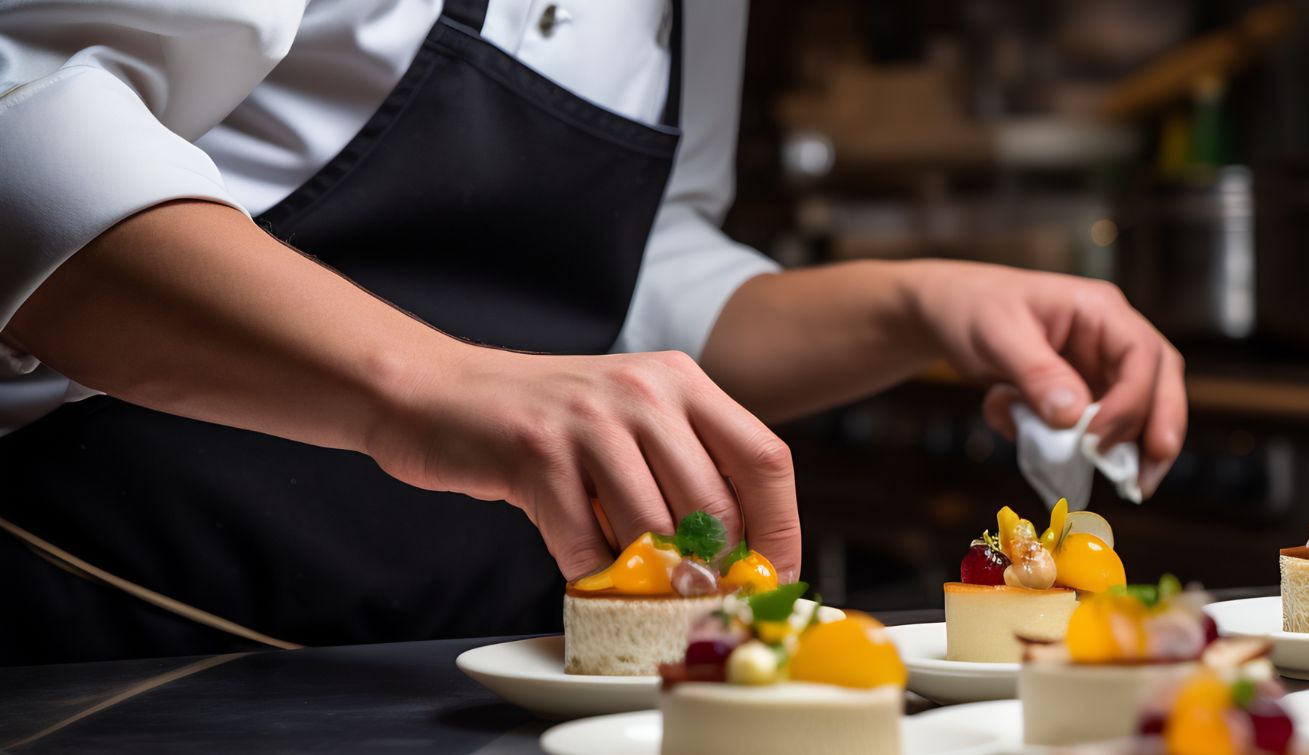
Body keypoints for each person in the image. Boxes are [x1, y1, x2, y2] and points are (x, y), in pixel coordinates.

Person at [0, 0, 1185, 664]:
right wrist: (426, 380)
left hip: (469, 666)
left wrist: (919, 303)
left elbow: (639, 275)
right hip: (120, 643)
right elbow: (25, 127)